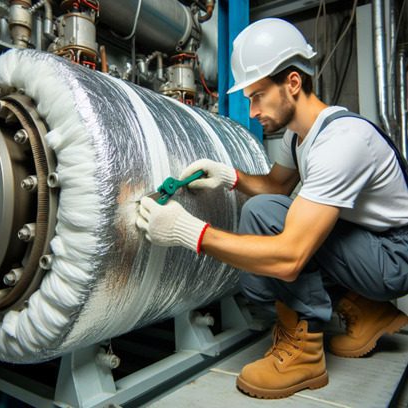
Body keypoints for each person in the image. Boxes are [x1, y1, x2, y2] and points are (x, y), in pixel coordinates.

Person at [136, 18, 408, 399]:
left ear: (293, 83)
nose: (252, 110)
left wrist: (189, 232)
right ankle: (362, 307)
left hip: (394, 256)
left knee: (266, 217)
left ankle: (306, 355)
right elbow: (275, 185)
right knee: (270, 205)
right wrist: (229, 176)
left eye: (257, 96)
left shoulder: (342, 141)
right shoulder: (299, 138)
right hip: (367, 244)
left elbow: (290, 258)